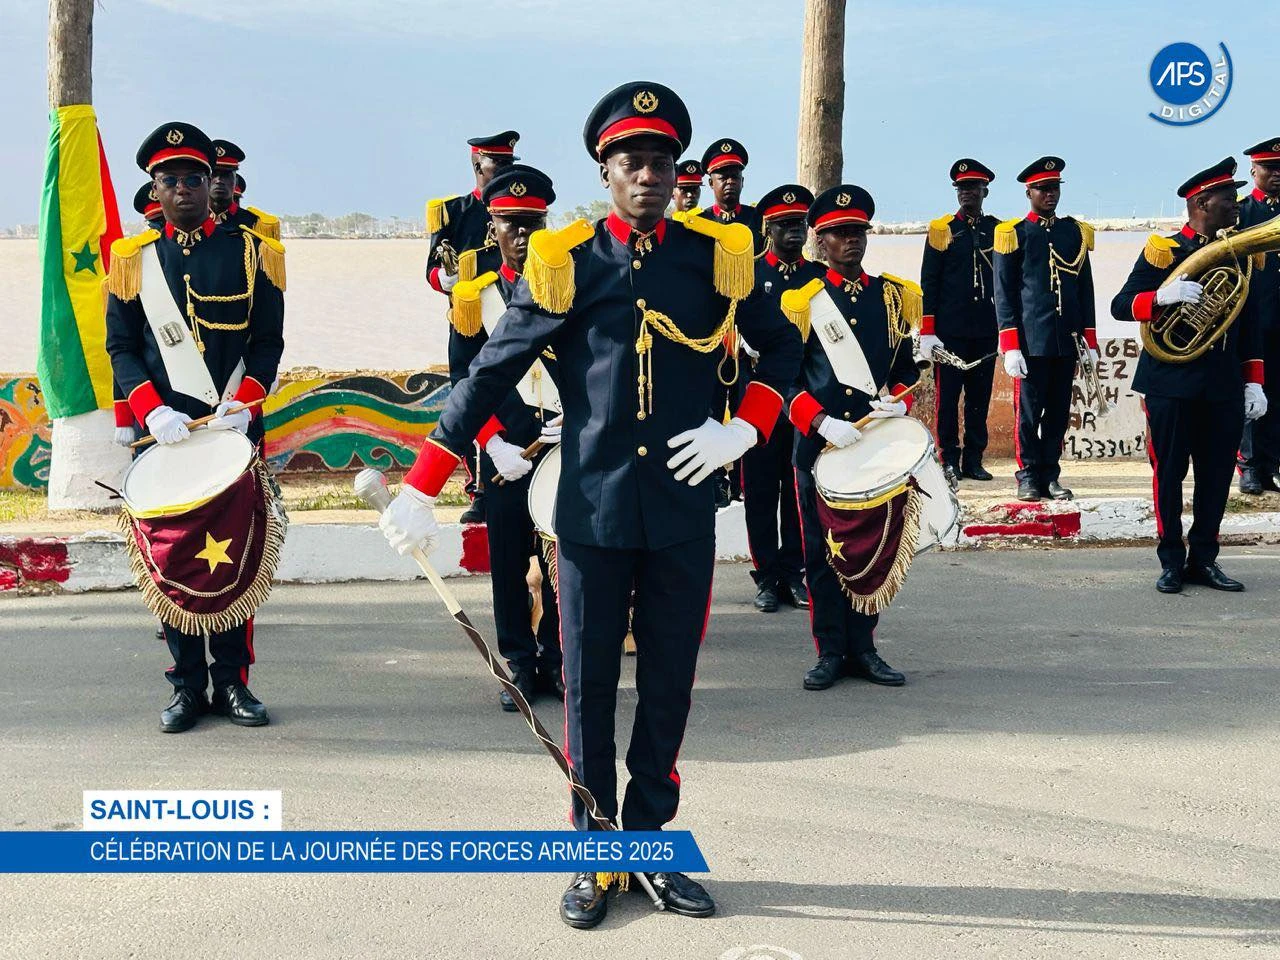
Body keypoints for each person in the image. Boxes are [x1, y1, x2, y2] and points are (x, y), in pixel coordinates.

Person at [377, 81, 800, 928]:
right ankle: (593, 853)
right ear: (605, 173)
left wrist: (745, 431)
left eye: (659, 161)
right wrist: (424, 482)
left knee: (671, 685)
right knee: (588, 684)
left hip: (682, 504)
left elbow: (782, 346)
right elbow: (489, 371)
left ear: (679, 172)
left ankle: (645, 847)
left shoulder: (716, 256)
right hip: (591, 512)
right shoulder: (565, 261)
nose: (646, 175)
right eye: (628, 161)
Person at [105, 122, 285, 733]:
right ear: (154, 190)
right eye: (169, 180)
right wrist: (152, 408)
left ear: (214, 185)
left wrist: (249, 402)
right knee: (174, 558)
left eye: (193, 178)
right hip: (165, 435)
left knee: (236, 558)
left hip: (230, 426)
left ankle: (234, 682)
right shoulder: (133, 262)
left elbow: (267, 342)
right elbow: (121, 348)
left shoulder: (252, 251)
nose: (182, 189)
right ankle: (185, 685)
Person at [1110, 157, 1268, 593]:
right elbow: (1121, 305)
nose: (1236, 206)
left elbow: (1249, 323)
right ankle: (1170, 561)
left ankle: (1205, 560)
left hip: (1221, 385)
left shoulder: (1239, 255)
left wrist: (1253, 380)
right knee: (1170, 474)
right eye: (1228, 200)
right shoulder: (1164, 250)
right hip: (1169, 384)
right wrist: (1161, 296)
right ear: (1202, 202)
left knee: (1217, 476)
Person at [784, 184, 918, 692]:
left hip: (873, 444)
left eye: (858, 232)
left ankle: (865, 646)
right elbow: (785, 381)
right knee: (821, 552)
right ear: (821, 242)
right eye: (840, 234)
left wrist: (899, 400)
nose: (851, 242)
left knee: (874, 547)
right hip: (820, 444)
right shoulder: (802, 303)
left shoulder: (893, 297)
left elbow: (908, 370)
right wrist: (819, 422)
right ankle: (830, 650)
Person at [447, 164, 563, 711]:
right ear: (491, 228)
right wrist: (491, 442)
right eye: (509, 223)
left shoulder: (568, 285)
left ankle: (560, 658)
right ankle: (517, 660)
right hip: (505, 451)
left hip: (564, 445)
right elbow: (464, 378)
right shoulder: (473, 297)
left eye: (531, 222)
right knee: (511, 559)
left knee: (563, 556)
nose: (521, 233)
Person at [425, 131, 520, 524]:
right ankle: (477, 487)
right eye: (496, 163)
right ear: (476, 163)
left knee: (512, 399)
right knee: (469, 395)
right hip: (467, 321)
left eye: (508, 163)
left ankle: (503, 479)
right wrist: (448, 279)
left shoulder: (517, 209)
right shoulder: (453, 212)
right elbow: (431, 271)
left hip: (509, 316)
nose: (502, 169)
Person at [994, 156, 1097, 502]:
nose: (1050, 195)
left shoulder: (1073, 233)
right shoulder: (1013, 235)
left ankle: (1050, 475)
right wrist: (1010, 345)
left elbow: (1085, 288)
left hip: (1065, 340)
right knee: (1027, 416)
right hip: (1030, 341)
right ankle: (1027, 476)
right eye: (1042, 189)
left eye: (1054, 188)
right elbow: (1004, 294)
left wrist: (1090, 339)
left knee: (1057, 415)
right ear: (1029, 192)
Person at [742, 184, 823, 612]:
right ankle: (766, 576)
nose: (795, 232)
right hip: (756, 401)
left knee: (796, 491)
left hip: (802, 404)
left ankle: (794, 573)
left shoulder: (818, 279)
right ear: (768, 228)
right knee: (759, 491)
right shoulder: (749, 276)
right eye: (785, 225)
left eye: (800, 225)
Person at [919, 159, 999, 485]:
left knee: (979, 400)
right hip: (950, 334)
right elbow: (929, 282)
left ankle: (974, 460)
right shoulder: (942, 231)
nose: (967, 193)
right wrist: (928, 331)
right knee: (948, 401)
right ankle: (949, 459)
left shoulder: (998, 231)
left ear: (985, 191)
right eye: (962, 188)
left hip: (985, 330)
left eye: (973, 187)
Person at [1236, 138, 1280, 494]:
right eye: (1270, 168)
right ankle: (1249, 466)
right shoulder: (1241, 213)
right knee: (1251, 393)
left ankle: (1272, 465)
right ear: (1254, 171)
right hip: (1254, 321)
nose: (1278, 174)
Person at [208, 139, 280, 239]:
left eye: (226, 175)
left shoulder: (255, 224)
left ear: (235, 180)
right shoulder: (189, 221)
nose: (219, 180)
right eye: (214, 174)